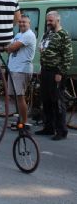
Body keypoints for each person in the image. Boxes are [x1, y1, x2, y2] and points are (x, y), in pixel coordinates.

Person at [35, 11, 72, 140]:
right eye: (47, 20)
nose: (48, 23)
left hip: (56, 73)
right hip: (45, 71)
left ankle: (61, 131)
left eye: (51, 21)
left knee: (57, 102)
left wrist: (60, 73)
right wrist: (41, 68)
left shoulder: (63, 35)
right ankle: (48, 127)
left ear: (58, 20)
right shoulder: (48, 33)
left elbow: (68, 57)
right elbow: (43, 51)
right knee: (46, 101)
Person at [5, 15, 37, 128]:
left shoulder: (29, 35)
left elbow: (11, 48)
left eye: (25, 22)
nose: (22, 24)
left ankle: (24, 122)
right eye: (20, 22)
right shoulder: (19, 35)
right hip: (14, 69)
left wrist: (5, 47)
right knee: (14, 95)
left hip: (22, 70)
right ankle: (20, 120)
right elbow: (10, 47)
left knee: (20, 96)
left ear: (29, 24)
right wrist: (8, 47)